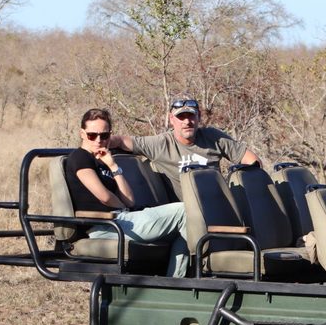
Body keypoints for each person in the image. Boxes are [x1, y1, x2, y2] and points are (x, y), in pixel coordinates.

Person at [65, 108, 189, 277]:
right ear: (82, 134)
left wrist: (113, 166)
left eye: (104, 135)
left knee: (187, 223)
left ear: (110, 135)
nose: (99, 140)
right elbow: (104, 196)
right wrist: (123, 207)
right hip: (106, 225)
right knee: (185, 210)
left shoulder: (103, 160)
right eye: (92, 135)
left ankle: (177, 279)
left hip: (123, 220)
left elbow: (130, 200)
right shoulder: (80, 158)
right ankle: (177, 283)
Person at [107, 95, 261, 200]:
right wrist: (98, 142)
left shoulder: (213, 137)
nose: (187, 122)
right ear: (171, 119)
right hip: (185, 212)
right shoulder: (160, 143)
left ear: (198, 117)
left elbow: (253, 161)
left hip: (218, 204)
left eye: (191, 116)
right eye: (181, 117)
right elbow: (120, 141)